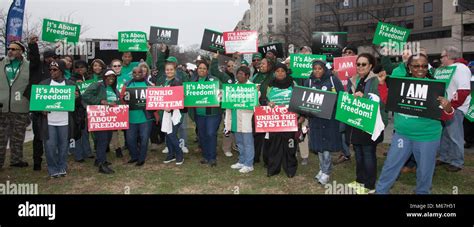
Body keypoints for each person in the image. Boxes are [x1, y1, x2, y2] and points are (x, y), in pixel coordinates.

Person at [376, 54, 454, 194]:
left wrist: (448, 108)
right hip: (402, 135)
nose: (421, 69)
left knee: (425, 171)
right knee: (390, 166)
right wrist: (382, 85)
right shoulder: (401, 84)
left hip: (427, 137)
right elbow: (390, 101)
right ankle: (381, 191)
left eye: (424, 66)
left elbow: (446, 115)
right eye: (416, 66)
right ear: (410, 68)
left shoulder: (435, 87)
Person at [345, 53, 388, 194]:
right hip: (356, 122)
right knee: (358, 153)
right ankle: (359, 181)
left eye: (364, 64)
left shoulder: (376, 80)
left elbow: (382, 101)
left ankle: (369, 185)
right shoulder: (353, 80)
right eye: (358, 64)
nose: (360, 67)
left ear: (370, 66)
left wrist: (365, 97)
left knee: (368, 153)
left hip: (371, 123)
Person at [38, 60, 83, 178]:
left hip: (65, 121)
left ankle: (62, 166)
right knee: (50, 146)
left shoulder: (71, 84)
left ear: (61, 71)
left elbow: (79, 103)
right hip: (49, 122)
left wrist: (76, 98)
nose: (51, 72)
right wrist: (41, 110)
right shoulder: (43, 84)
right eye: (50, 69)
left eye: (54, 69)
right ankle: (52, 168)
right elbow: (37, 103)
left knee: (64, 146)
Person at [303, 60, 344, 184]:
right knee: (319, 147)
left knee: (327, 147)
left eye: (319, 68)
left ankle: (326, 172)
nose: (317, 71)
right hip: (315, 120)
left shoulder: (333, 80)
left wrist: (331, 104)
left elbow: (342, 96)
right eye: (314, 68)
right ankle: (322, 168)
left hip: (329, 120)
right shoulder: (308, 81)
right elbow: (303, 98)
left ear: (324, 69)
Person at [190, 58, 230, 167]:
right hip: (199, 114)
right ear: (197, 69)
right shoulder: (193, 82)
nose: (202, 70)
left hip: (213, 114)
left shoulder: (214, 80)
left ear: (207, 70)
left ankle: (212, 157)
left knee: (211, 134)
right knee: (202, 135)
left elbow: (223, 92)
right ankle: (205, 155)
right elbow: (189, 97)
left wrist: (220, 96)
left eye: (204, 68)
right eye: (200, 68)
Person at [437, 46, 472, 172]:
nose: (440, 59)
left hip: (455, 108)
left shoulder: (461, 69)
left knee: (455, 135)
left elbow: (463, 91)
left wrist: (450, 107)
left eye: (442, 56)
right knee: (445, 134)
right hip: (446, 106)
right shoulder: (447, 69)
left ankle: (457, 162)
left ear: (449, 57)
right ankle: (444, 157)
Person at [260, 63, 298, 178]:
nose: (280, 73)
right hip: (275, 120)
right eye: (277, 71)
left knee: (290, 145)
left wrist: (297, 113)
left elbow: (299, 99)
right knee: (274, 145)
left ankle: (290, 169)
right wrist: (267, 103)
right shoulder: (270, 84)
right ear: (274, 73)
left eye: (282, 71)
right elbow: (263, 99)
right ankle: (273, 168)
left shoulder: (293, 83)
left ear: (286, 72)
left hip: (289, 120)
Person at [28, 36, 59, 171]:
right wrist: (33, 45)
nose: (51, 60)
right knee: (38, 135)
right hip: (38, 108)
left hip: (54, 108)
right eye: (48, 58)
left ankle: (54, 159)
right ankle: (37, 162)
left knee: (54, 135)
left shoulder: (58, 71)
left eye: (53, 58)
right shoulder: (37, 67)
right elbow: (34, 58)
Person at [82, 69, 121, 174]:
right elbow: (85, 96)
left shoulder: (114, 88)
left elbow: (116, 100)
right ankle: (101, 165)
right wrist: (100, 101)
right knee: (102, 139)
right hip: (99, 117)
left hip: (110, 118)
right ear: (104, 77)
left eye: (113, 77)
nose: (111, 79)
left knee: (107, 138)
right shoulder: (97, 85)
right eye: (109, 77)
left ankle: (99, 159)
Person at [0, 41, 31, 169]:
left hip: (21, 107)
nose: (10, 51)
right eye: (9, 48)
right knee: (1, 137)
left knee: (18, 136)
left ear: (21, 51)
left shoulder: (28, 66)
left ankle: (16, 160)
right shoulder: (1, 64)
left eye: (14, 49)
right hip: (2, 107)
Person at [225, 66, 257, 173]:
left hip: (247, 119)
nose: (239, 75)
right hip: (235, 118)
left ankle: (249, 164)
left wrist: (256, 93)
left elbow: (256, 104)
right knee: (239, 142)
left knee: (248, 142)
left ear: (247, 76)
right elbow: (228, 103)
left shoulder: (252, 87)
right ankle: (242, 160)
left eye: (241, 74)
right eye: (238, 73)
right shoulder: (233, 87)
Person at [120, 67, 155, 166]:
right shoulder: (127, 84)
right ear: (132, 73)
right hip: (131, 117)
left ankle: (141, 158)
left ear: (143, 73)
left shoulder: (149, 85)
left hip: (146, 117)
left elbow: (155, 99)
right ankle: (134, 156)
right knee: (130, 139)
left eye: (140, 72)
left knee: (144, 139)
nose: (137, 74)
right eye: (134, 72)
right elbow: (121, 98)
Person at [159, 62, 186, 165]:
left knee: (171, 134)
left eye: (171, 69)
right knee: (167, 133)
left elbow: (179, 98)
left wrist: (171, 107)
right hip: (166, 113)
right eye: (167, 70)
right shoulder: (165, 81)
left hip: (175, 113)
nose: (169, 71)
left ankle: (179, 155)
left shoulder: (177, 82)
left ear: (175, 70)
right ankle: (171, 154)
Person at [250, 57, 275, 165]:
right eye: (260, 64)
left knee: (268, 134)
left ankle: (267, 158)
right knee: (256, 132)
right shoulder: (256, 76)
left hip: (269, 106)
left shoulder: (274, 76)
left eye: (263, 64)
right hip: (258, 106)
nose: (261, 65)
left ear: (269, 65)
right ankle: (255, 156)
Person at [70, 60, 95, 163]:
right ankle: (78, 154)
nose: (80, 69)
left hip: (87, 108)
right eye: (77, 67)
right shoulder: (71, 80)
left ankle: (87, 152)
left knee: (85, 131)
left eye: (82, 67)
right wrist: (76, 86)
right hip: (76, 109)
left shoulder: (90, 79)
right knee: (77, 132)